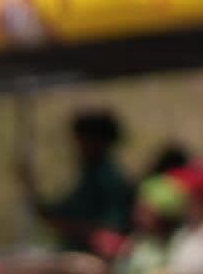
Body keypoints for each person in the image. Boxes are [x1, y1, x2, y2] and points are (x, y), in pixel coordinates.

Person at [32, 106, 138, 257]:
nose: (78, 147)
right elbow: (55, 214)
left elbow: (110, 234)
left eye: (84, 140)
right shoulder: (88, 177)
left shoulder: (110, 180)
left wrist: (71, 228)